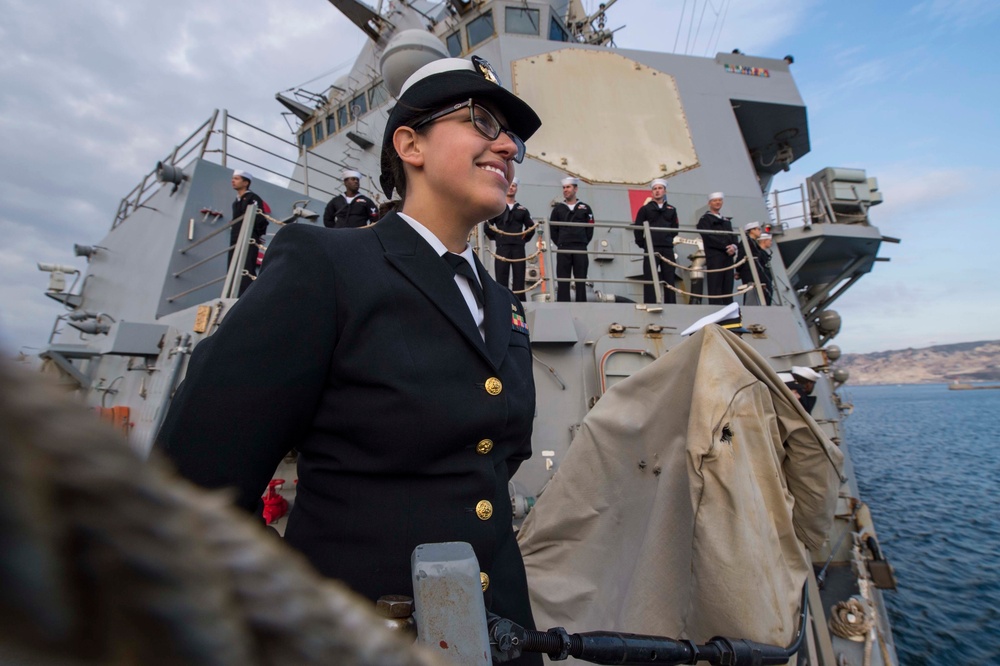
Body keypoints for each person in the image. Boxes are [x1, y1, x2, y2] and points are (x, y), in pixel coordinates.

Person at [157, 55, 543, 663]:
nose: (507, 147)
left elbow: (495, 462)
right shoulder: (327, 266)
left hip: (504, 637)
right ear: (410, 144)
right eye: (481, 121)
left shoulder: (504, 304)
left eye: (513, 137)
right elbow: (192, 483)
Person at [485, 176, 534, 301]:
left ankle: (520, 302)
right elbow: (488, 226)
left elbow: (531, 227)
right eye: (510, 185)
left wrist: (523, 239)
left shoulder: (522, 210)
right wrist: (497, 237)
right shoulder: (498, 207)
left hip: (518, 247)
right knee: (501, 276)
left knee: (519, 276)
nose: (511, 188)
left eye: (514, 186)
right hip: (502, 247)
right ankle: (503, 302)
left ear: (516, 189)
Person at [632, 178, 679, 304]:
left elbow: (675, 228)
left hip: (667, 248)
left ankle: (671, 304)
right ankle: (650, 303)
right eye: (655, 189)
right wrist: (643, 243)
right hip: (651, 247)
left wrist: (668, 238)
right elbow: (638, 228)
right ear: (652, 192)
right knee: (650, 276)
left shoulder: (671, 209)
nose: (657, 191)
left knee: (669, 277)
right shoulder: (645, 209)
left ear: (665, 191)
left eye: (660, 188)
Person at [548, 176, 595, 302]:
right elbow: (553, 229)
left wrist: (583, 240)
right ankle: (563, 302)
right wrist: (560, 242)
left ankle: (581, 303)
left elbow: (590, 228)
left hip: (580, 246)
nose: (565, 190)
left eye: (568, 187)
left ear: (575, 189)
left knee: (581, 278)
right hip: (564, 246)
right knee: (563, 278)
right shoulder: (558, 209)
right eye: (564, 187)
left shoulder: (585, 208)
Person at [228, 169, 270, 296]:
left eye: (236, 178)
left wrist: (257, 234)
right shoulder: (236, 202)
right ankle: (233, 292)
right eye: (233, 178)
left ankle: (246, 294)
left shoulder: (252, 198)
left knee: (246, 266)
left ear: (246, 182)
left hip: (249, 237)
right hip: (236, 238)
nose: (233, 181)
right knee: (233, 266)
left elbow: (260, 218)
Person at [696, 191, 737, 304]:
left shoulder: (726, 221)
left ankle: (729, 308)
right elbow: (708, 237)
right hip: (715, 256)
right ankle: (716, 308)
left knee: (728, 284)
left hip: (728, 256)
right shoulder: (705, 219)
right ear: (710, 203)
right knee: (715, 284)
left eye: (719, 200)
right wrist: (725, 247)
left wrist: (733, 246)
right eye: (715, 200)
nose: (718, 202)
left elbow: (733, 235)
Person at [756, 232, 774, 305]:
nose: (771, 242)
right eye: (769, 240)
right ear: (764, 241)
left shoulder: (762, 253)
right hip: (763, 281)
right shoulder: (759, 253)